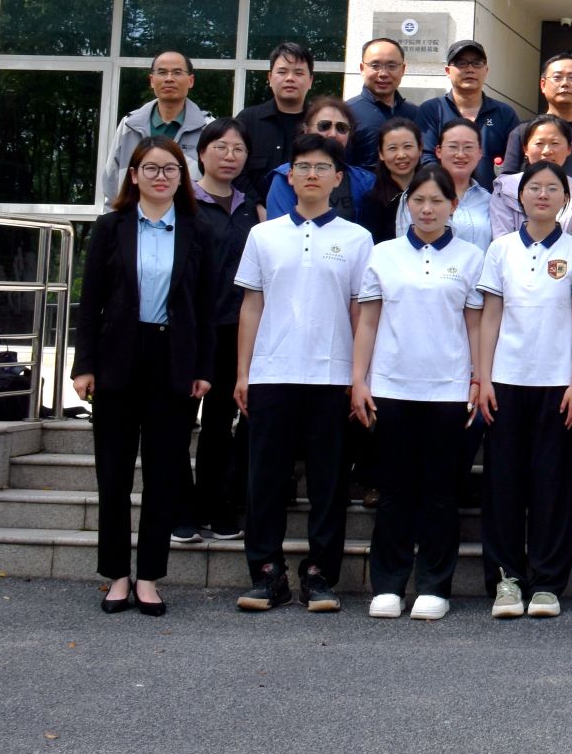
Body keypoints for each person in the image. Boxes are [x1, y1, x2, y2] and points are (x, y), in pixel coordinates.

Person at [233, 133, 374, 613]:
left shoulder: (357, 239)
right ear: (289, 177)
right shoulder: (264, 235)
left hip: (332, 377)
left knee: (328, 483)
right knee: (265, 479)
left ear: (338, 178)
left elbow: (360, 312)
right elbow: (252, 305)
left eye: (322, 167)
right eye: (303, 167)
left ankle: (320, 575)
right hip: (272, 372)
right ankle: (266, 572)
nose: (312, 175)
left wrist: (358, 377)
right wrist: (243, 373)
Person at [73, 141, 214, 617]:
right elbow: (90, 302)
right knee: (113, 474)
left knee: (164, 475)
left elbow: (206, 308)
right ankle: (116, 575)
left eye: (170, 169)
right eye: (150, 168)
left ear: (182, 177)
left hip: (173, 362)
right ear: (133, 175)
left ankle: (149, 577)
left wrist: (204, 369)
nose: (160, 176)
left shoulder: (197, 229)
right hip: (117, 359)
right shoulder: (111, 227)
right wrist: (83, 365)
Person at [348, 162, 486, 622]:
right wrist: (359, 380)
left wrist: (477, 378)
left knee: (441, 492)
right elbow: (368, 321)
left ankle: (434, 586)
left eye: (437, 201)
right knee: (394, 491)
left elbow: (475, 325)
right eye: (419, 200)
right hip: (391, 386)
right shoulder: (383, 254)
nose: (427, 209)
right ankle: (388, 584)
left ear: (453, 205)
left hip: (449, 388)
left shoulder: (471, 257)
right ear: (407, 205)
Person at [475, 159, 572, 620]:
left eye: (552, 188)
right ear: (520, 196)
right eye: (534, 187)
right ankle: (506, 580)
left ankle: (547, 583)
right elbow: (490, 317)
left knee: (553, 485)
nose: (542, 195)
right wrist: (483, 378)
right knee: (503, 484)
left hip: (557, 386)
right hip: (506, 383)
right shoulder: (501, 249)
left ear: (565, 199)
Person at [186, 119, 260, 544]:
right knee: (178, 423)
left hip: (235, 330)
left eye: (238, 149)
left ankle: (216, 508)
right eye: (221, 147)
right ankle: (181, 510)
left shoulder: (253, 210)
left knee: (220, 423)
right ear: (202, 153)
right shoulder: (184, 202)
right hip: (189, 329)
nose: (230, 156)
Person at [102, 48, 212, 205]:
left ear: (191, 80)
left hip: (189, 218)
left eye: (177, 72)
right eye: (162, 72)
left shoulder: (208, 129)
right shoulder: (129, 125)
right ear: (152, 80)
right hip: (133, 217)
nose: (169, 79)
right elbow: (111, 181)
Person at [414, 40, 520, 189]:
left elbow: (514, 162)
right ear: (447, 71)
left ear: (486, 70)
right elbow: (426, 158)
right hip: (444, 197)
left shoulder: (504, 113)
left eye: (477, 63)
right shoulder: (431, 110)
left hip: (492, 200)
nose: (470, 69)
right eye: (461, 63)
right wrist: (448, 191)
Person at [499, 54, 572, 189]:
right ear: (543, 85)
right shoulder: (523, 131)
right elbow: (507, 184)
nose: (565, 83)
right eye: (557, 77)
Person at [263, 97, 378, 222]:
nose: (333, 134)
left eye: (341, 128)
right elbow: (280, 229)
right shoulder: (284, 177)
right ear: (306, 130)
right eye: (324, 126)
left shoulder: (365, 182)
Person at [232, 40, 315, 201]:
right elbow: (234, 171)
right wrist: (256, 205)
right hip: (254, 212)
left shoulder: (321, 124)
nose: (290, 78)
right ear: (270, 77)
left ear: (310, 80)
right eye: (282, 72)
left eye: (298, 73)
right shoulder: (248, 120)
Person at [489, 115, 572, 239]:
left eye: (555, 143)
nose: (547, 151)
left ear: (569, 148)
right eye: (539, 143)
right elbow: (501, 240)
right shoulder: (505, 188)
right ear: (525, 149)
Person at [402, 118, 496, 253]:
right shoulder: (416, 196)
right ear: (438, 151)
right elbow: (404, 244)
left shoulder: (489, 200)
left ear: (480, 152)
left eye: (468, 147)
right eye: (453, 146)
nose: (460, 154)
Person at [345, 38, 418, 170]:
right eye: (375, 66)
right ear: (362, 68)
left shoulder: (416, 114)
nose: (383, 74)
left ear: (403, 69)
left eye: (391, 66)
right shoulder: (346, 113)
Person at [364, 117, 423, 245]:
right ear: (381, 153)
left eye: (407, 146)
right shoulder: (372, 200)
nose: (401, 155)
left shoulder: (433, 193)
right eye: (392, 148)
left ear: (420, 149)